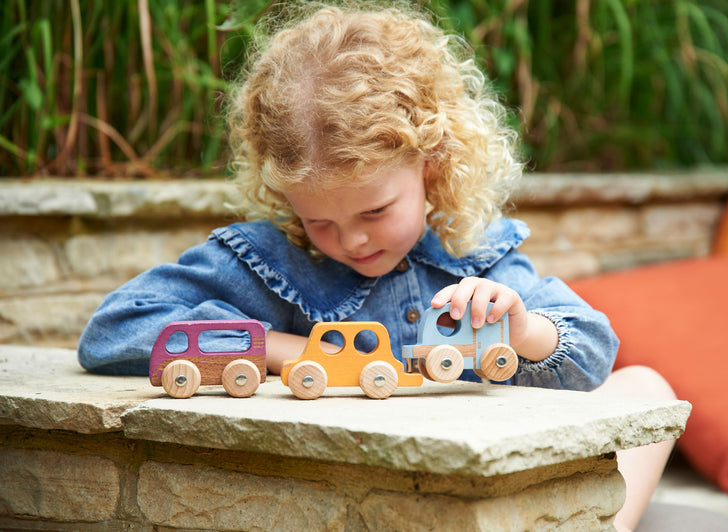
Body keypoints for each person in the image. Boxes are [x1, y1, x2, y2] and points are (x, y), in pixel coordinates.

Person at [78, 3, 675, 529]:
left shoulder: (476, 256)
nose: (353, 240)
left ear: (433, 162)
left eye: (376, 209)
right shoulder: (267, 260)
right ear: (286, 196)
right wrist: (289, 353)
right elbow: (113, 329)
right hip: (364, 498)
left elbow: (594, 355)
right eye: (320, 221)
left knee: (648, 383)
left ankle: (605, 528)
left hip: (498, 482)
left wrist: (524, 331)